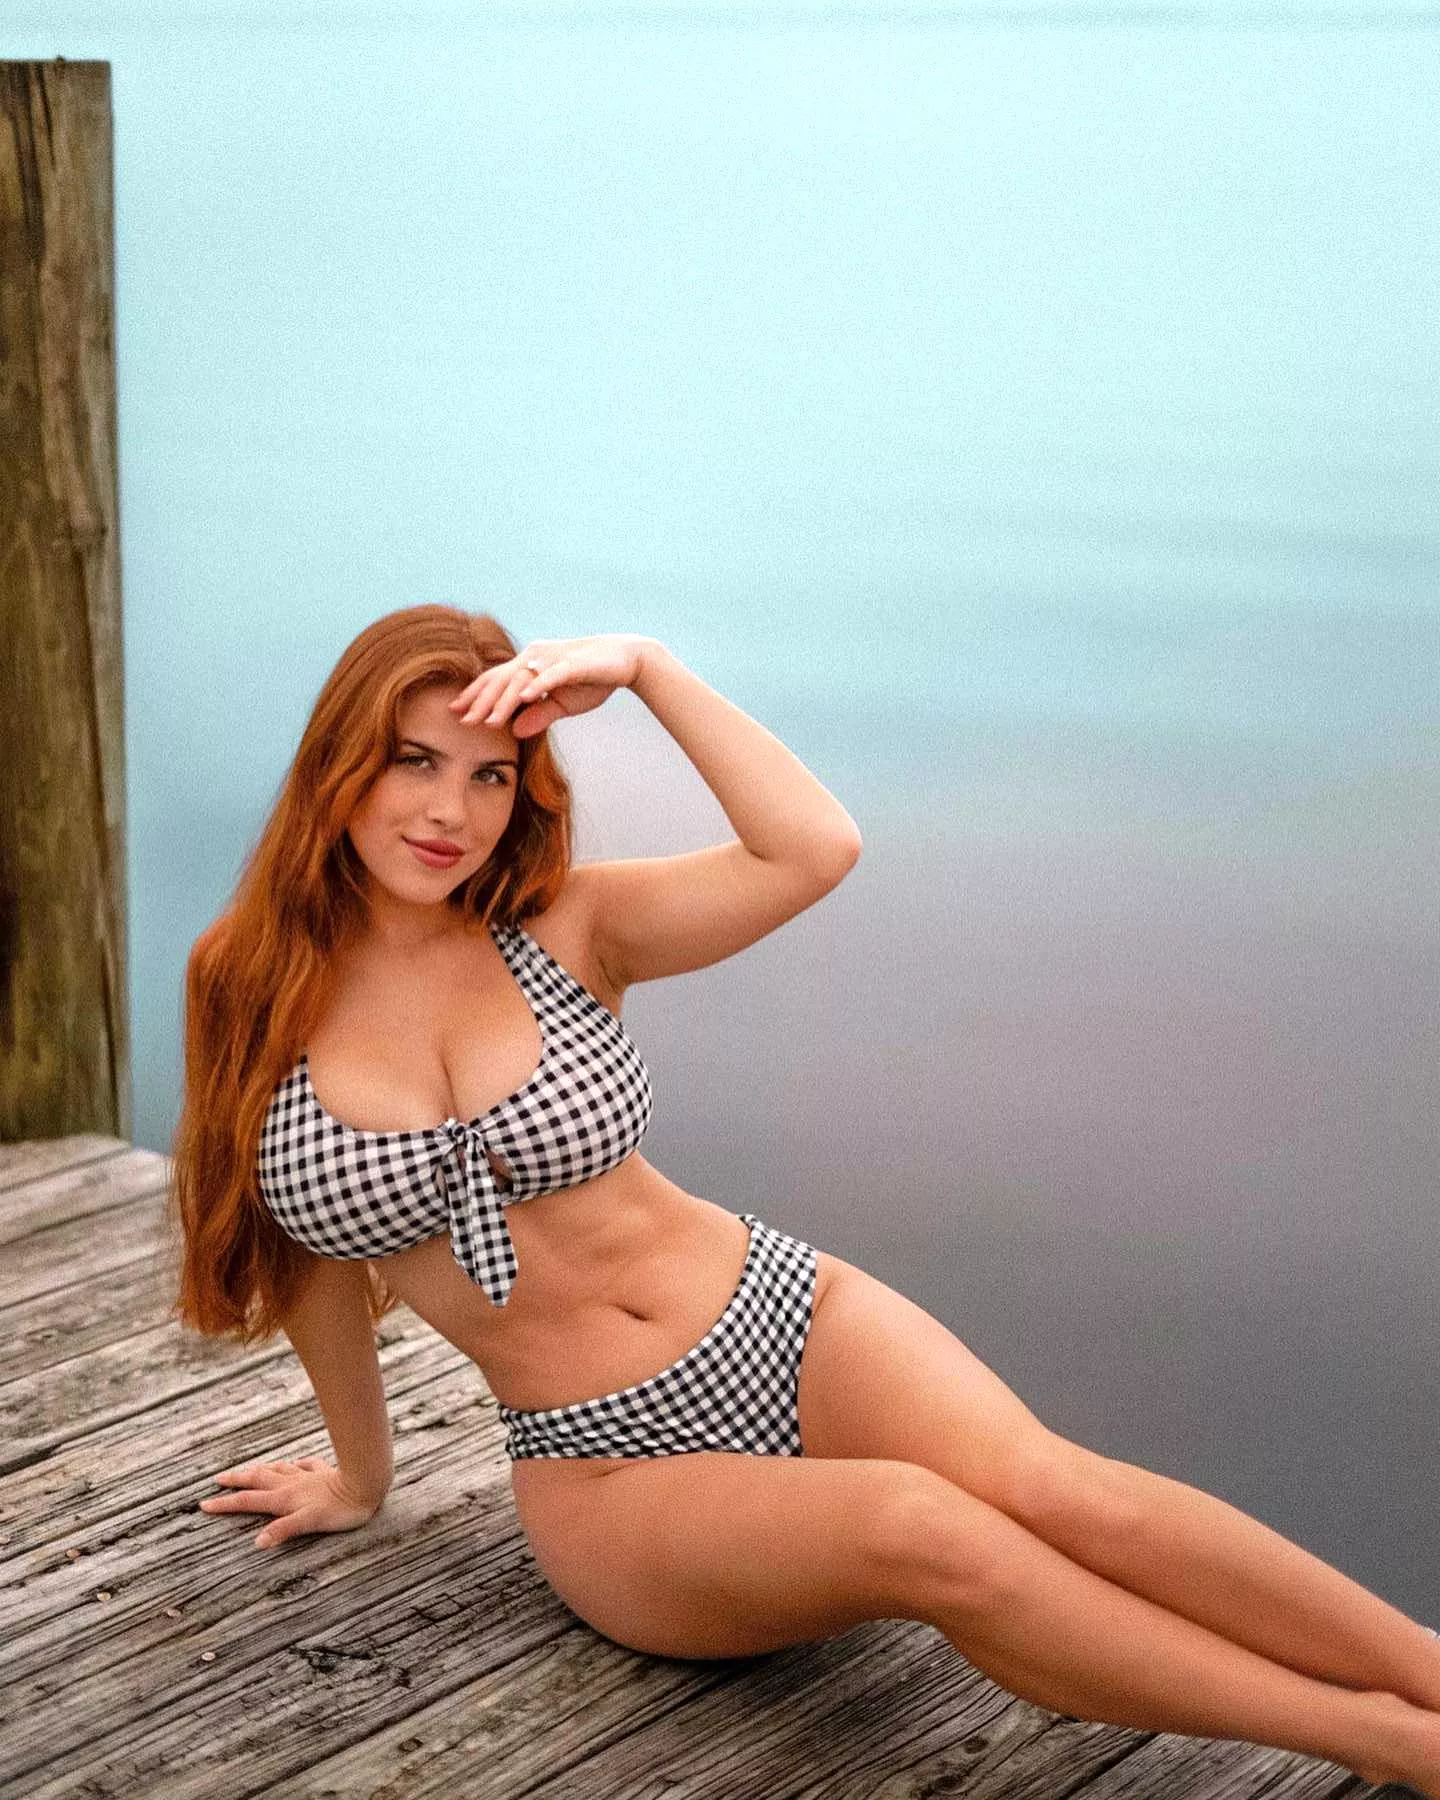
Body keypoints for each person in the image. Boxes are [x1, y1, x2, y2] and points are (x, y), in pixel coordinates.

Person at [171, 604, 1440, 1794]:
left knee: (1061, 1489)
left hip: (780, 1312)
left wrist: (649, 670)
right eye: (414, 761)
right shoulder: (245, 980)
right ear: (341, 762)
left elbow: (813, 847)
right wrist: (360, 1472)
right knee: (926, 1530)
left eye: (490, 772)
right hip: (607, 1471)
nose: (453, 811)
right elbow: (301, 1254)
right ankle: (1388, 1743)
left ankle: (1427, 1677)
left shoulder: (565, 926)